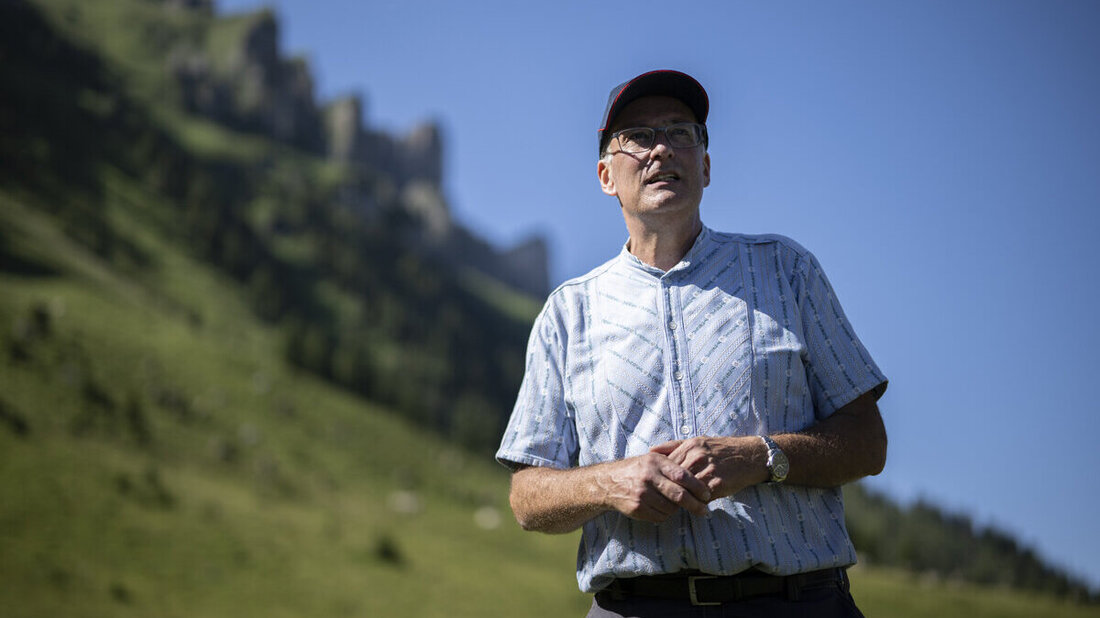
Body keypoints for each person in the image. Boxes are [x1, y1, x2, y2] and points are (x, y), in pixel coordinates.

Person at [496, 69, 888, 617]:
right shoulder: (569, 312)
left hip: (798, 603)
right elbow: (526, 497)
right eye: (637, 136)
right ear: (607, 176)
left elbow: (868, 441)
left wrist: (761, 457)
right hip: (633, 607)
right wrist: (609, 483)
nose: (661, 149)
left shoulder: (786, 270)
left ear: (705, 166)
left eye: (681, 132)